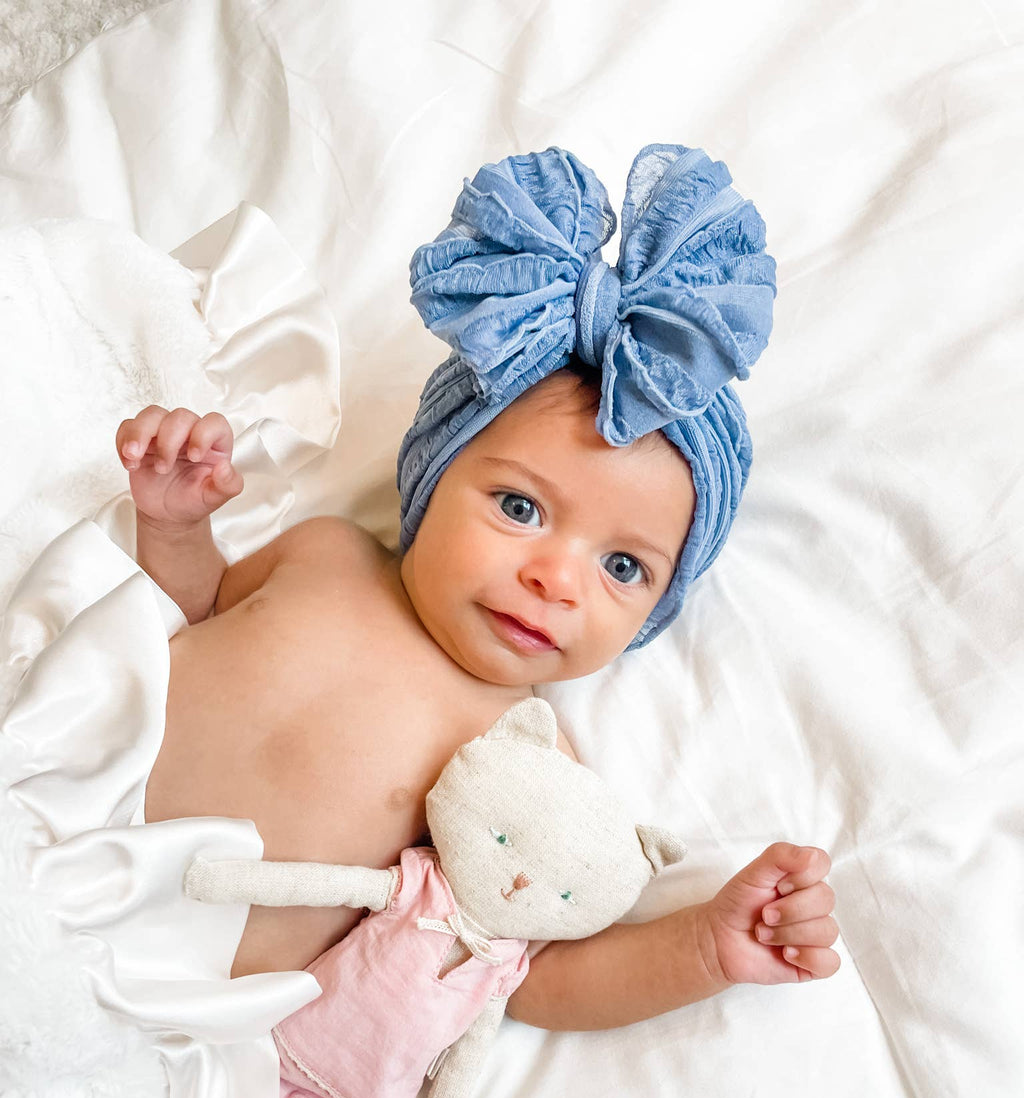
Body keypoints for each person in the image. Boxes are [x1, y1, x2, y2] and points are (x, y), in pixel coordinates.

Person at [116, 143, 839, 1033]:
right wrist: (175, 525)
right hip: (61, 810)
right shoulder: (323, 551)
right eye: (519, 505)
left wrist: (702, 948)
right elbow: (187, 620)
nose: (554, 578)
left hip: (162, 992)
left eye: (623, 567)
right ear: (432, 472)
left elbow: (530, 975)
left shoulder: (521, 752)